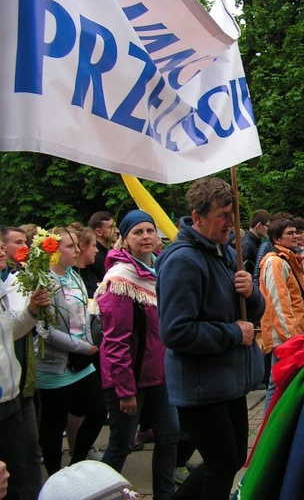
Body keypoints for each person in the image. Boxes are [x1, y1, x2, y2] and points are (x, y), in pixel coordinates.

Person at [156, 177, 265, 499]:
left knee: (231, 460)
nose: (230, 223)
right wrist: (233, 333)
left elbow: (250, 312)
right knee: (221, 465)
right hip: (201, 385)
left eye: (233, 215)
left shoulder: (226, 252)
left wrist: (252, 293)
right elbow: (176, 331)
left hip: (227, 381)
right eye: (223, 215)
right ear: (198, 216)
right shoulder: (182, 261)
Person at [95, 210, 178, 500]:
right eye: (137, 232)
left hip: (159, 375)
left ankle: (164, 494)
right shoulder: (120, 279)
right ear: (125, 240)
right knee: (120, 445)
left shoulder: (160, 271)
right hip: (128, 380)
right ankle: (94, 493)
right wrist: (124, 390)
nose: (145, 236)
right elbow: (115, 341)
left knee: (170, 437)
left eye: (149, 231)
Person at [36, 227, 107, 476]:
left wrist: (88, 341)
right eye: (70, 246)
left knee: (98, 412)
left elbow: (83, 316)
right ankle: (56, 477)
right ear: (54, 250)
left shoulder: (75, 275)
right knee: (53, 428)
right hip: (56, 366)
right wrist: (83, 347)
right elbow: (45, 331)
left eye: (78, 245)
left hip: (81, 361)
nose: (77, 250)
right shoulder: (44, 282)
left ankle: (76, 463)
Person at [0, 244, 50, 500]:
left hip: (11, 396)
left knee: (19, 474)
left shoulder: (2, 289)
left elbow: (10, 333)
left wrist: (31, 310)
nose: (0, 252)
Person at [258, 216, 304, 413]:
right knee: (276, 384)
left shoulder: (288, 259)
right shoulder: (275, 262)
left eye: (296, 232)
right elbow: (278, 302)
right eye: (289, 233)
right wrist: (291, 339)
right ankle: (268, 428)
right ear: (277, 239)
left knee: (280, 383)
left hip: (290, 333)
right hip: (283, 337)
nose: (295, 236)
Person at [80, 212, 119, 299]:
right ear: (98, 232)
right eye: (111, 227)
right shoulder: (96, 256)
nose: (117, 231)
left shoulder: (109, 252)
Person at [241, 209, 270, 274]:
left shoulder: (257, 241)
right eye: (268, 226)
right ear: (259, 225)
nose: (269, 229)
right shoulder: (247, 245)